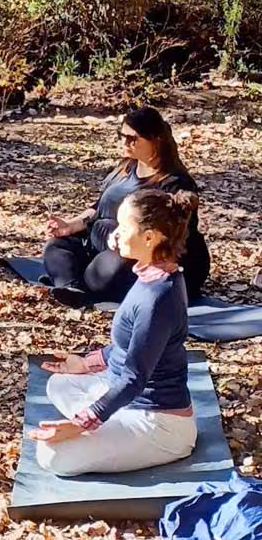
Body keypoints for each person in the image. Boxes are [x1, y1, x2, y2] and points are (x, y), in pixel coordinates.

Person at [34, 182, 198, 478]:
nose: (115, 232)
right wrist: (86, 363)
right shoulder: (152, 274)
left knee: (50, 457)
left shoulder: (158, 299)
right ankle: (109, 422)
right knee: (59, 384)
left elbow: (134, 377)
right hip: (131, 401)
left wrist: (81, 422)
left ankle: (107, 424)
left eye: (124, 226)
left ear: (149, 237)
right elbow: (131, 346)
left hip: (159, 424)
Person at [40, 106, 209, 307]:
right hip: (101, 240)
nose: (125, 143)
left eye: (133, 138)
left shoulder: (175, 183)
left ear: (156, 140)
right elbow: (99, 206)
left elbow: (173, 236)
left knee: (112, 267)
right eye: (122, 136)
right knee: (56, 247)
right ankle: (72, 288)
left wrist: (124, 239)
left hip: (139, 253)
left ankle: (80, 284)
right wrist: (70, 225)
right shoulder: (125, 167)